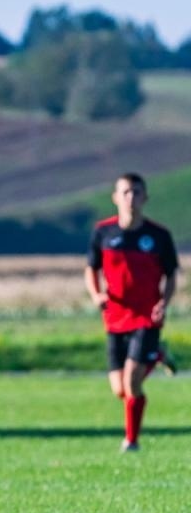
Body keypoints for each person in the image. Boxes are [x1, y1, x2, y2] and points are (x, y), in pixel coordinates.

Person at [85, 172, 179, 452]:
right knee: (120, 390)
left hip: (145, 317)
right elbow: (91, 268)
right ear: (115, 198)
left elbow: (172, 274)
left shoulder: (159, 236)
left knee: (132, 381)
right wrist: (96, 294)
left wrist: (165, 301)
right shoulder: (103, 232)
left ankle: (131, 441)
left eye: (136, 193)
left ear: (145, 198)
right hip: (114, 317)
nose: (131, 198)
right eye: (125, 192)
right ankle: (159, 355)